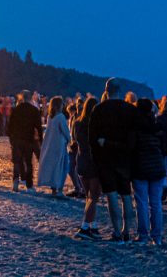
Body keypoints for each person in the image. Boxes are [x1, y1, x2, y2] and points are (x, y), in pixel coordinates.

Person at [88, 77, 138, 243]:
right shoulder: (131, 111)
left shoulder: (99, 109)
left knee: (111, 196)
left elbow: (92, 138)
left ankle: (117, 231)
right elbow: (134, 140)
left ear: (106, 91)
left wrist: (99, 152)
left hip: (105, 159)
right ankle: (126, 231)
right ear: (120, 91)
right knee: (126, 196)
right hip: (125, 158)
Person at [131, 99, 166, 245]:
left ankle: (143, 235)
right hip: (157, 167)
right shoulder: (157, 126)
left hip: (140, 167)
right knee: (156, 203)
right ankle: (157, 236)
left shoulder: (135, 127)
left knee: (142, 203)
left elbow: (131, 148)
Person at [73, 98, 102, 240]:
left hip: (81, 161)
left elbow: (75, 140)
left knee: (88, 196)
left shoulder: (77, 123)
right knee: (94, 196)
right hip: (93, 162)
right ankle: (85, 227)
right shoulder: (96, 124)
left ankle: (93, 225)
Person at [8, 89, 43, 193]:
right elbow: (39, 127)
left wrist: (11, 139)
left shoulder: (15, 110)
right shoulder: (34, 110)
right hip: (29, 139)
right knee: (28, 162)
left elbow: (10, 127)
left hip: (17, 139)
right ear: (31, 97)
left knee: (17, 162)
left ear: (21, 98)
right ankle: (29, 185)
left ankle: (15, 182)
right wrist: (41, 140)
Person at [38, 96, 70, 197]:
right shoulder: (61, 117)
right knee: (62, 167)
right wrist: (70, 140)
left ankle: (53, 189)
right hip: (60, 145)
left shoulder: (50, 117)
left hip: (52, 144)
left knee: (54, 166)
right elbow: (65, 131)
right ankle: (59, 190)